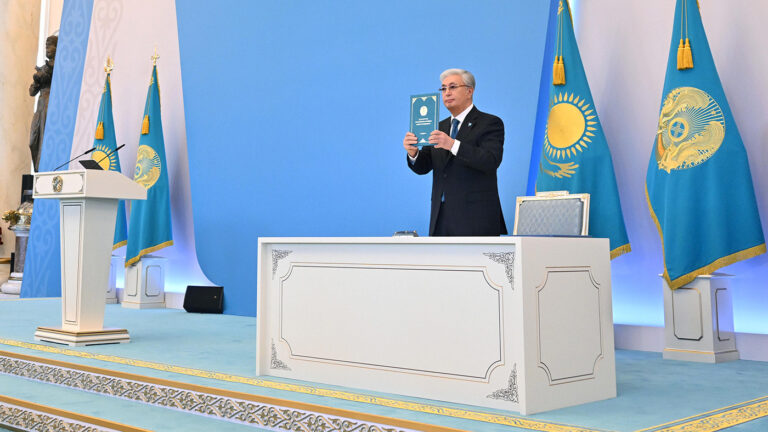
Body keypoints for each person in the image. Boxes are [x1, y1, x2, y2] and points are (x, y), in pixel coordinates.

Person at [404, 68, 507, 236]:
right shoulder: (438, 127)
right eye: (443, 89)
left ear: (469, 91)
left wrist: (452, 144)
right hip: (441, 217)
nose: (447, 93)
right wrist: (413, 153)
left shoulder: (490, 123)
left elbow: (490, 160)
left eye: (452, 87)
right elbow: (424, 166)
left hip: (476, 218)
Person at [29, 35, 57, 172]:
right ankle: (37, 171)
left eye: (50, 46)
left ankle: (42, 171)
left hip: (49, 104)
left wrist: (43, 74)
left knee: (43, 141)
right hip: (40, 107)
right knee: (33, 141)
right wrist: (37, 80)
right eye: (46, 46)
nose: (47, 49)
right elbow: (31, 92)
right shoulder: (43, 68)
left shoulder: (56, 67)